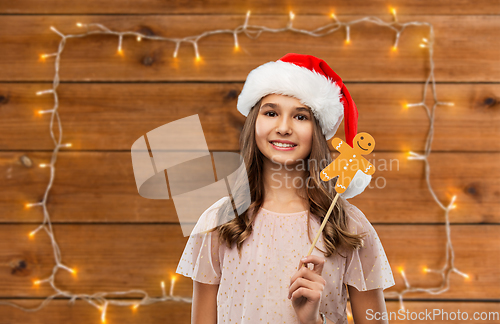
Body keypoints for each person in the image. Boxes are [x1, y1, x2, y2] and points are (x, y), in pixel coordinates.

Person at [176, 53, 395, 324]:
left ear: (317, 131)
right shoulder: (218, 221)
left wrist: (313, 321)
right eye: (271, 113)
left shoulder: (349, 226)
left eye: (300, 117)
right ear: (254, 122)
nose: (283, 127)